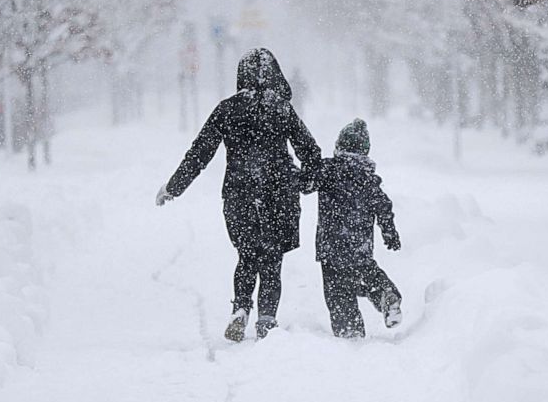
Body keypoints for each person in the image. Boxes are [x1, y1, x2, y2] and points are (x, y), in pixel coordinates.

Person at [156, 48, 321, 341]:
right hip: (278, 195)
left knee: (247, 256)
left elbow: (200, 152)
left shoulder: (227, 109)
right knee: (271, 260)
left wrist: (174, 186)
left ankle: (241, 308)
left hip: (239, 194)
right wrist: (305, 181)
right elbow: (310, 150)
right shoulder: (281, 108)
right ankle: (267, 319)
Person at [313, 118, 402, 338]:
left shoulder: (327, 170)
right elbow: (383, 206)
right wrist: (389, 232)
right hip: (360, 244)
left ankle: (349, 328)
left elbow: (305, 184)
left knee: (338, 290)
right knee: (367, 271)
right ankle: (385, 293)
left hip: (331, 245)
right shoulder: (368, 178)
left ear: (340, 146)